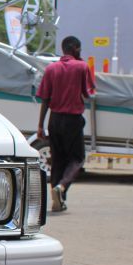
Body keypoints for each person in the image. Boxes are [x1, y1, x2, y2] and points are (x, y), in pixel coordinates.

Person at [36, 36, 95, 212]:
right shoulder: (82, 67)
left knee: (58, 160)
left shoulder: (51, 69)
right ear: (75, 48)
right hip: (72, 120)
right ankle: (61, 187)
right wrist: (81, 63)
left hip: (54, 119)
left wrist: (40, 126)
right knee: (76, 158)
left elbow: (45, 100)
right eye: (80, 49)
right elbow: (88, 94)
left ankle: (58, 201)